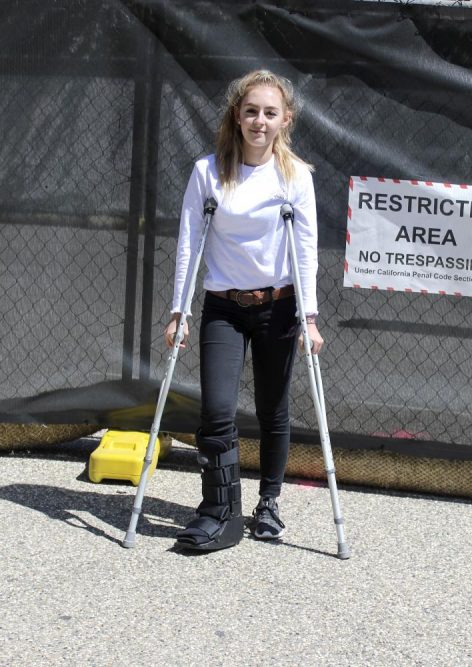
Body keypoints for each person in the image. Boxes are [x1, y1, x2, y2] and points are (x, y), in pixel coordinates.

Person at [167, 69, 323, 552]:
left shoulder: (295, 176)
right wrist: (179, 311)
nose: (259, 121)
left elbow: (307, 247)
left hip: (278, 307)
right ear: (237, 115)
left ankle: (269, 502)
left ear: (285, 120)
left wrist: (310, 317)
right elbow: (190, 243)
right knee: (216, 410)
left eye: (269, 113)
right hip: (223, 307)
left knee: (272, 409)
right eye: (251, 110)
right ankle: (219, 510)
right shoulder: (207, 172)